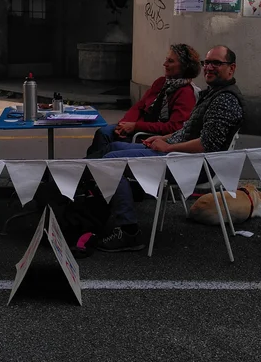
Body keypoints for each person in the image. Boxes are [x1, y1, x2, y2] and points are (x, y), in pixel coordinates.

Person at [96, 45, 245, 252]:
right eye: (207, 62)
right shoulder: (212, 94)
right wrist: (162, 138)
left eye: (217, 63)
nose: (209, 67)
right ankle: (98, 203)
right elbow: (186, 129)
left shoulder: (225, 101)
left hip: (193, 165)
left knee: (110, 161)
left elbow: (205, 145)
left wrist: (167, 146)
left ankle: (128, 231)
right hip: (180, 155)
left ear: (232, 68)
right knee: (110, 146)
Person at [85, 44, 199, 157]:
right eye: (166, 60)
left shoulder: (186, 93)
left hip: (151, 134)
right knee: (103, 132)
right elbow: (139, 106)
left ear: (184, 66)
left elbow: (174, 128)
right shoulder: (161, 82)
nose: (165, 64)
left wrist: (136, 126)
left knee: (112, 148)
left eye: (170, 61)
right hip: (137, 126)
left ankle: (90, 168)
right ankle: (87, 166)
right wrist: (123, 124)